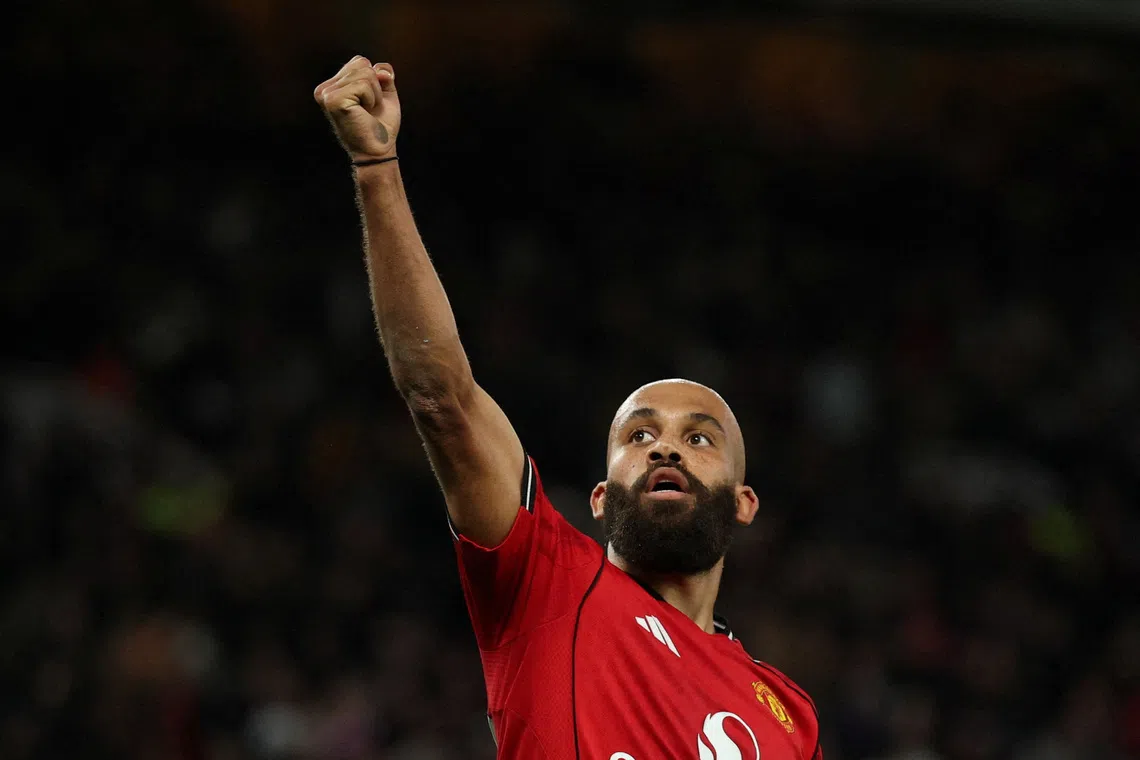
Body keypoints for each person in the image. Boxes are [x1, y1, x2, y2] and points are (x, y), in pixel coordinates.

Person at [314, 55, 823, 760]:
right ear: (598, 495)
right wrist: (377, 169)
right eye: (639, 435)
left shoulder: (791, 717)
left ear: (744, 502)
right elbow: (442, 398)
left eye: (700, 439)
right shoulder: (548, 581)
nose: (666, 447)